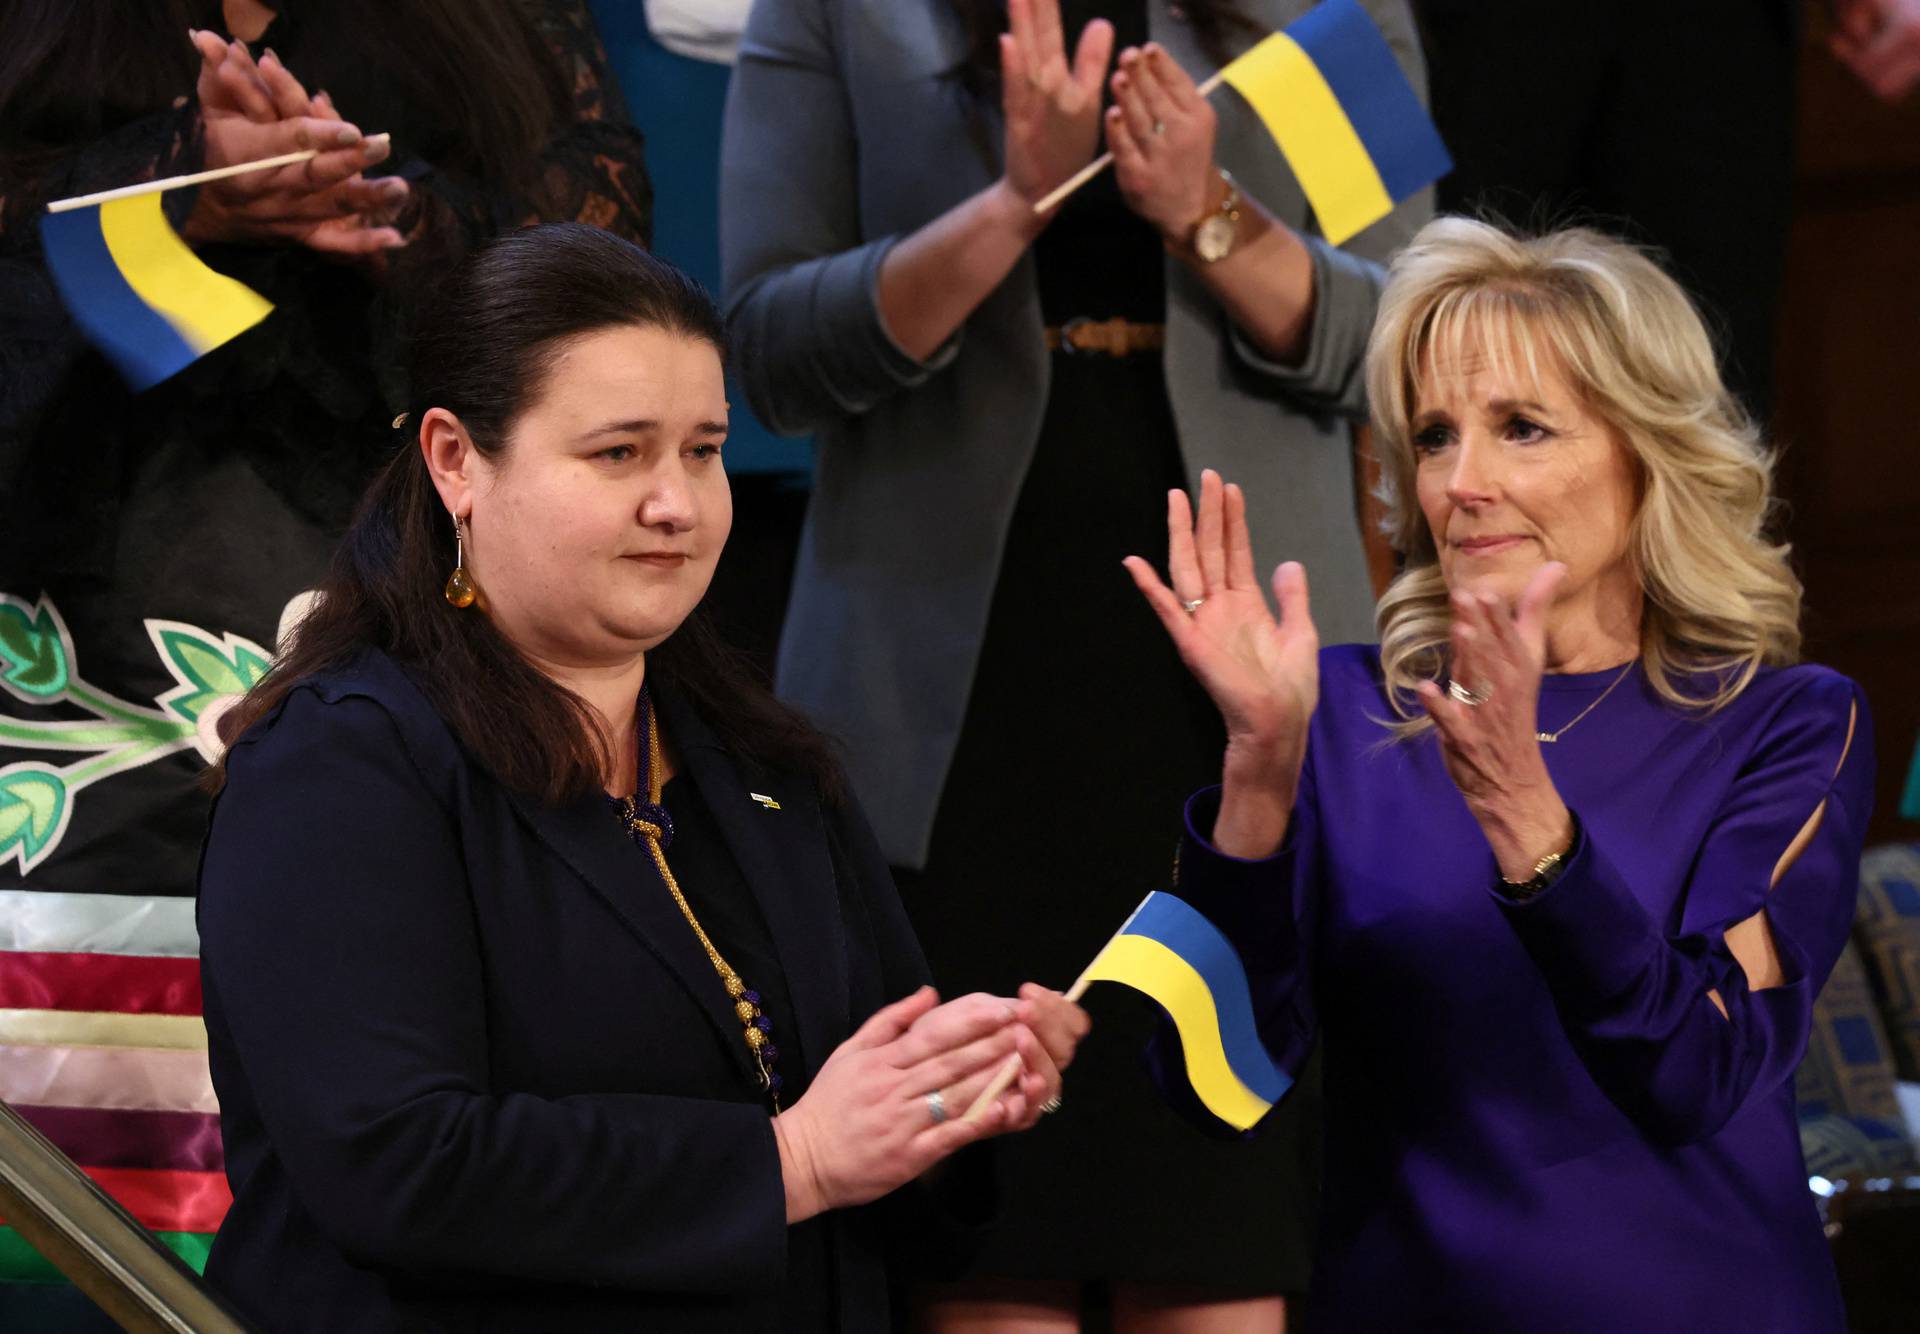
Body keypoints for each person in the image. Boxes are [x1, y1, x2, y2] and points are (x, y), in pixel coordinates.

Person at [194, 224, 1089, 1332]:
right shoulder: (342, 760)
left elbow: (883, 1180)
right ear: (454, 460)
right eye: (619, 452)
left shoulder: (770, 766)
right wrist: (793, 1158)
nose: (678, 502)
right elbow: (399, 1165)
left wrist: (952, 1100)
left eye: (704, 449)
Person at [721, 1, 1431, 1325]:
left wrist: (1204, 204)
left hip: (1237, 679)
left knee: (1219, 1220)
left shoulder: (1321, 7)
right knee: (989, 1220)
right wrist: (1013, 202)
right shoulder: (841, 14)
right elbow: (768, 352)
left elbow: (1409, 338)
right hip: (943, 690)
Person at [1125, 217, 1874, 1331]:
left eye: (1522, 427)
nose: (1463, 480)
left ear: (1646, 449)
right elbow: (1205, 1084)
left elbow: (1699, 1067)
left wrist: (1530, 821)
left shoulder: (1781, 721)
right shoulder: (1341, 711)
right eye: (1433, 436)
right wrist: (1258, 770)